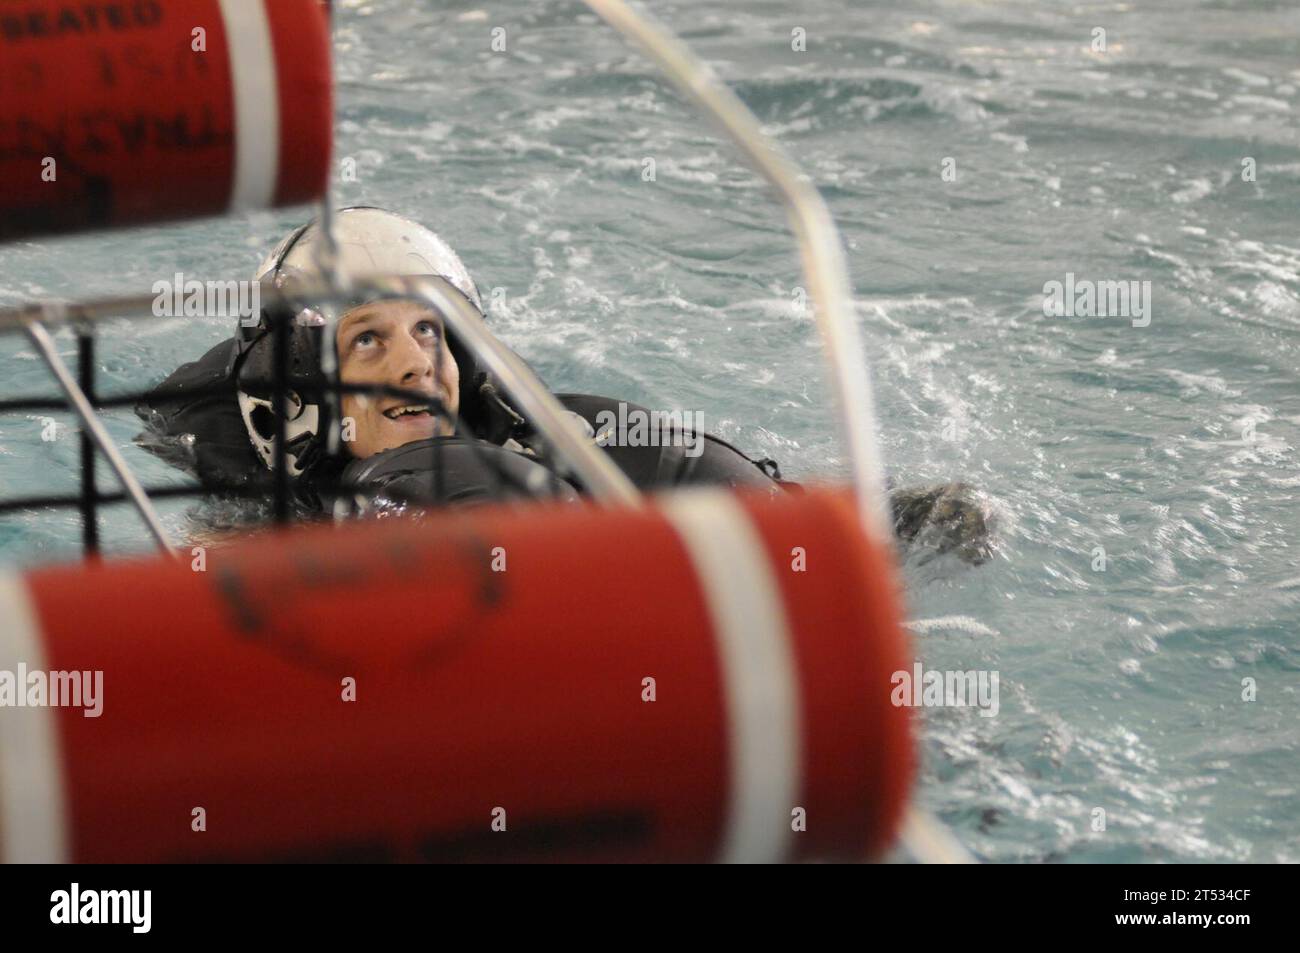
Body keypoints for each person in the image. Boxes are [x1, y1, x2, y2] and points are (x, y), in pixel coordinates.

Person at [136, 207, 991, 560]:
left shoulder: (531, 434)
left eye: (430, 334)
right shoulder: (233, 465)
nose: (414, 365)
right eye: (370, 342)